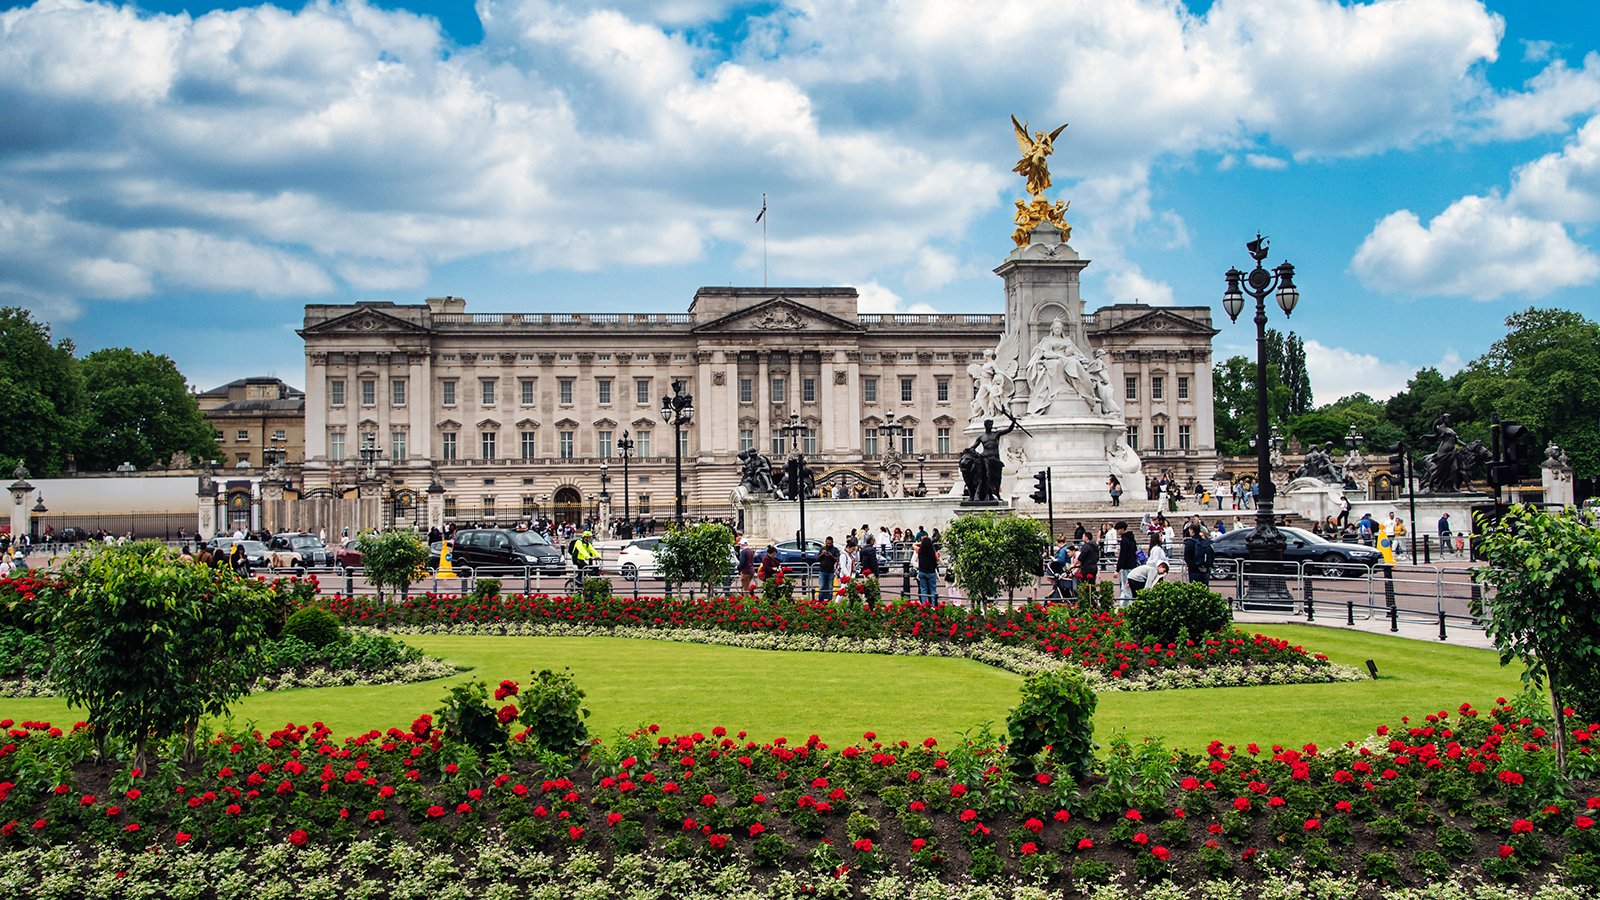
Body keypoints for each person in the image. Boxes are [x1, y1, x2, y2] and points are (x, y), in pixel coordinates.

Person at [1115, 522, 1138, 599]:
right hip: (1133, 565)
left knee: (1125, 587)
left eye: (1118, 530)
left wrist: (1117, 569)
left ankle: (1126, 604)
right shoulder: (1132, 539)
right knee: (1131, 585)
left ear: (1121, 529)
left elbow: (1122, 555)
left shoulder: (1124, 540)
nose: (1117, 532)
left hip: (1126, 567)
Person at [915, 536, 939, 604]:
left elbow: (913, 545)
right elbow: (937, 559)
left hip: (922, 571)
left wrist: (921, 542)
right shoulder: (932, 551)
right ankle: (934, 605)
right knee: (933, 590)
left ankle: (924, 605)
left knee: (923, 590)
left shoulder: (920, 551)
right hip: (931, 572)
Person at [817, 537, 841, 601]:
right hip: (822, 571)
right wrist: (822, 554)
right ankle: (820, 600)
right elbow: (817, 559)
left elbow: (837, 559)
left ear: (832, 542)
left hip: (830, 571)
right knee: (821, 587)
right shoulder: (822, 549)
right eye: (827, 543)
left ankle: (829, 600)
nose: (828, 545)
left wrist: (831, 555)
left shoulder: (835, 549)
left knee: (830, 587)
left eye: (830, 543)